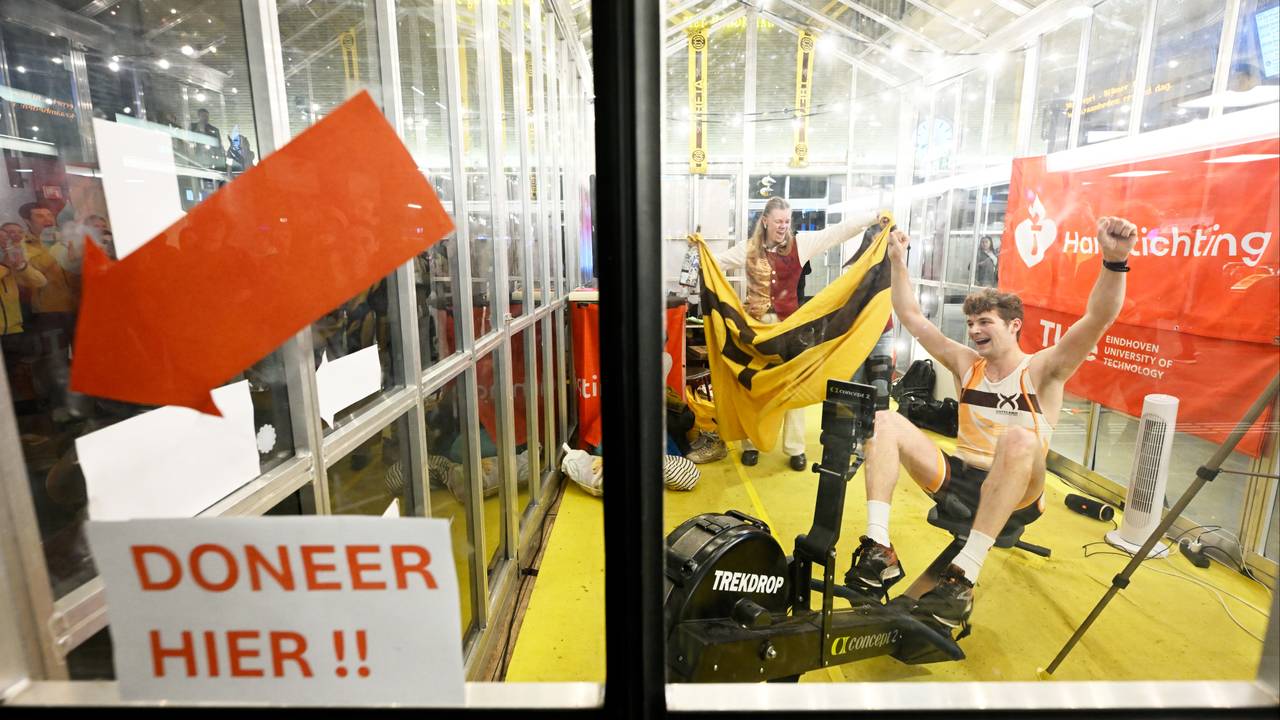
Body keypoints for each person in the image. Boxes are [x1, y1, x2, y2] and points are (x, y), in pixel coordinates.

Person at [844, 216, 1138, 632]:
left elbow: (1097, 319)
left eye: (985, 322)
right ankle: (879, 547)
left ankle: (965, 575)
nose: (975, 330)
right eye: (970, 323)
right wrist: (897, 259)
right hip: (961, 479)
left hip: (1021, 495)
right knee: (885, 419)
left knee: (1018, 438)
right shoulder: (967, 364)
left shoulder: (1043, 369)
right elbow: (910, 315)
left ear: (1014, 326)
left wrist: (1115, 261)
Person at [716, 196, 880, 471]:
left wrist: (873, 216)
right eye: (778, 221)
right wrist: (697, 250)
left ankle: (795, 448)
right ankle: (751, 445)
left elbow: (838, 232)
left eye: (786, 221)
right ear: (765, 221)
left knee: (794, 386)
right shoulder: (748, 248)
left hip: (790, 329)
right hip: (757, 330)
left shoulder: (801, 244)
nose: (783, 226)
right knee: (755, 386)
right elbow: (716, 263)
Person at [844, 213, 895, 409]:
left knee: (881, 389)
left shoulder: (893, 267)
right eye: (877, 241)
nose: (880, 246)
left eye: (884, 241)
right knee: (853, 388)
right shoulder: (855, 269)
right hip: (856, 332)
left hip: (883, 331)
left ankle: (878, 427)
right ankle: (853, 427)